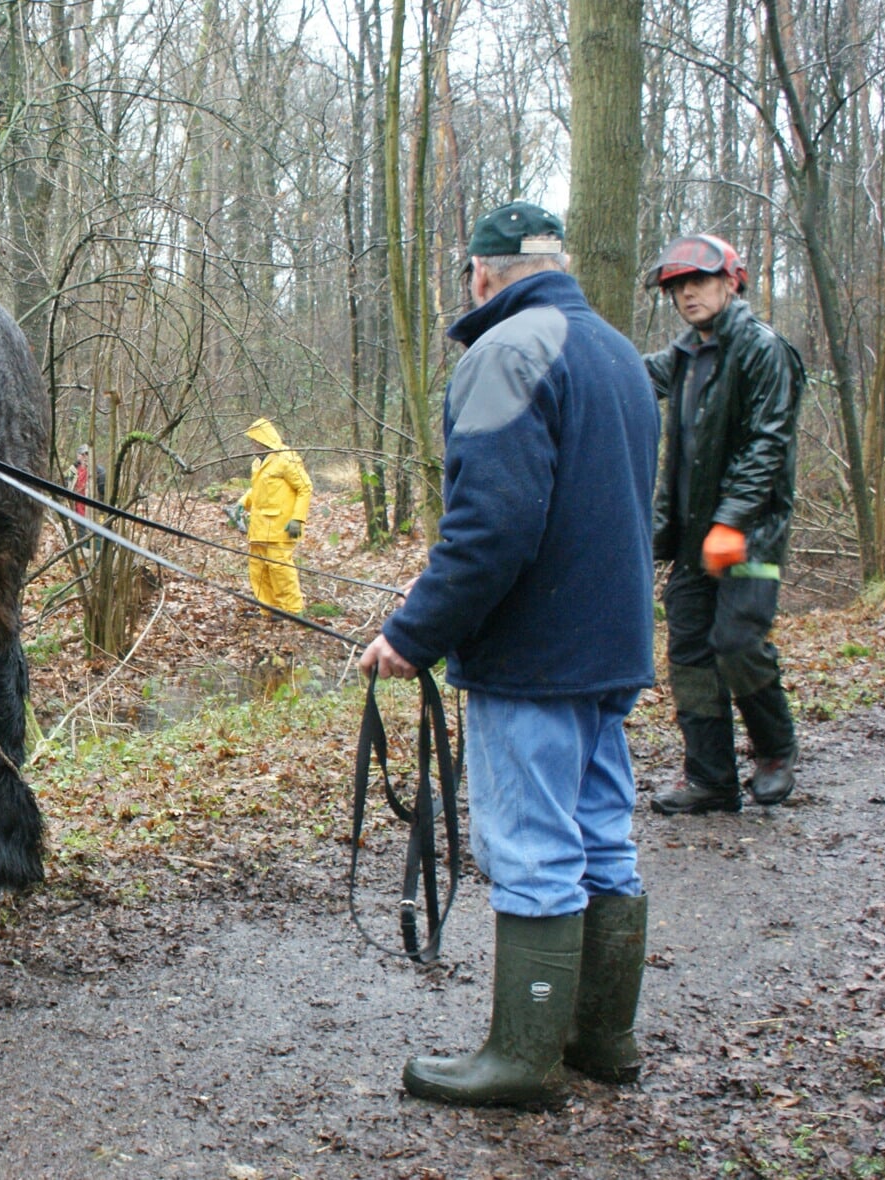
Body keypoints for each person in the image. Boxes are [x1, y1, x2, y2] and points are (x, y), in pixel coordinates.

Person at [357, 201, 660, 1109]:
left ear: (482, 274)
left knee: (531, 848)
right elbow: (573, 510)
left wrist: (413, 636)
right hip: (608, 652)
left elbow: (493, 526)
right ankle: (603, 1038)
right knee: (603, 838)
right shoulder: (617, 354)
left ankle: (520, 1058)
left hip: (535, 661)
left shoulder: (503, 354)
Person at [642, 234, 805, 816]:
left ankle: (775, 750)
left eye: (699, 281)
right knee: (689, 654)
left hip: (751, 533)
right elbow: (633, 379)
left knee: (736, 642)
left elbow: (769, 443)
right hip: (689, 538)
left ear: (731, 281)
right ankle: (711, 779)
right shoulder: (684, 354)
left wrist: (732, 521)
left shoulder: (762, 349)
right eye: (678, 287)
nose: (688, 294)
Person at [238, 418, 312, 615]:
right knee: (258, 569)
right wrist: (240, 504)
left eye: (255, 441)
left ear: (264, 440)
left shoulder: (286, 458)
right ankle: (269, 609)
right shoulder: (257, 463)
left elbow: (305, 488)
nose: (253, 445)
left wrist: (298, 519)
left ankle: (293, 611)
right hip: (258, 527)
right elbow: (258, 490)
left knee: (280, 569)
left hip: (280, 526)